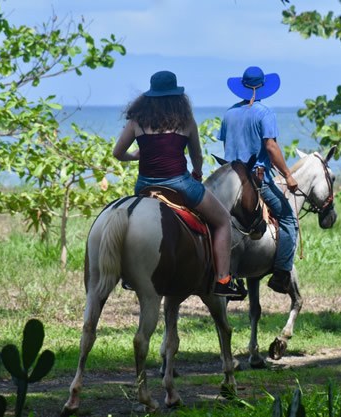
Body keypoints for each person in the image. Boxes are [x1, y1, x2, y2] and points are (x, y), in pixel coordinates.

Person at [113, 70, 246, 300]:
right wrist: (197, 171)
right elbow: (197, 155)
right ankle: (224, 280)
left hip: (144, 188)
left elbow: (118, 153)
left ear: (149, 97)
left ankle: (128, 274)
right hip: (180, 185)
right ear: (177, 96)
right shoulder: (185, 121)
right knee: (223, 220)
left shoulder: (137, 122)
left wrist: (137, 156)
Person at [219, 66, 298, 294]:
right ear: (262, 87)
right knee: (287, 219)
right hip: (256, 179)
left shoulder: (229, 113)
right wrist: (288, 175)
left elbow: (227, 148)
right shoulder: (265, 113)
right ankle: (281, 274)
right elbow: (271, 147)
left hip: (227, 179)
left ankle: (230, 274)